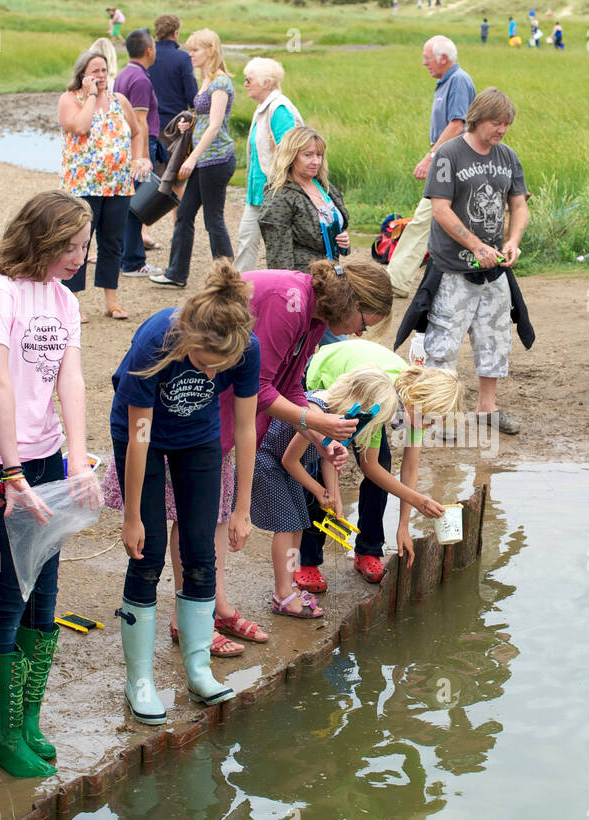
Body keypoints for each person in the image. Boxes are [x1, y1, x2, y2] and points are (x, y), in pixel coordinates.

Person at [0, 190, 101, 777]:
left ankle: (28, 720)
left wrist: (76, 459)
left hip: (46, 461)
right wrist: (13, 470)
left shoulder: (65, 301)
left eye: (83, 244)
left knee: (44, 593)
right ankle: (0, 735)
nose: (79, 254)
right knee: (4, 597)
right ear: (38, 238)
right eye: (68, 244)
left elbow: (70, 378)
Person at [185, 262, 391, 624]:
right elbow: (261, 388)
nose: (359, 333)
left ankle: (216, 605)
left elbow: (291, 387)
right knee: (204, 514)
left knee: (224, 514)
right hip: (207, 398)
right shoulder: (291, 302)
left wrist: (322, 439)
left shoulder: (315, 321)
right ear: (352, 302)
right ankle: (225, 605)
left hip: (242, 419)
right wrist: (314, 422)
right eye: (364, 323)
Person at [111, 262, 259, 723]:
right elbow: (139, 436)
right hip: (142, 438)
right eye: (203, 362)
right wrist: (132, 515)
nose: (211, 372)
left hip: (199, 439)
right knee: (148, 552)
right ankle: (139, 678)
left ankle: (198, 667)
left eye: (220, 367)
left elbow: (247, 427)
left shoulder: (247, 348)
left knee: (200, 550)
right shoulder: (158, 337)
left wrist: (242, 508)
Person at [296, 340, 462, 589]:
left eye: (433, 423)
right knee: (319, 469)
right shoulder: (384, 399)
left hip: (370, 397)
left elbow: (410, 467)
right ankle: (307, 559)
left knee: (384, 464)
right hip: (327, 380)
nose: (427, 426)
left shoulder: (415, 407)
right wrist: (420, 501)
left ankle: (369, 549)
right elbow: (368, 465)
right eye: (427, 419)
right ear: (416, 399)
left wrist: (404, 526)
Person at [423, 87, 529, 436]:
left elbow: (518, 204)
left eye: (506, 124)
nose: (502, 130)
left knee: (495, 338)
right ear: (478, 118)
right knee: (444, 342)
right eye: (497, 123)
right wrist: (475, 244)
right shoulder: (449, 155)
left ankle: (487, 410)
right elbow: (440, 209)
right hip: (452, 266)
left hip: (494, 268)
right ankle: (441, 414)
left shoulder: (508, 156)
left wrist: (511, 241)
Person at [248, 369, 395, 619]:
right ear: (359, 405)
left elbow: (328, 458)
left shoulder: (339, 419)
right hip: (267, 459)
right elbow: (290, 460)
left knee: (298, 525)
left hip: (286, 466)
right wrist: (318, 491)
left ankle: (290, 584)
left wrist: (333, 495)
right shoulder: (318, 413)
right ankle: (283, 594)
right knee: (286, 526)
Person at [58, 48, 150, 321]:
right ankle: (71, 303)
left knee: (113, 242)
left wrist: (138, 158)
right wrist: (90, 96)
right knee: (78, 245)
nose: (100, 75)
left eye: (103, 69)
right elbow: (80, 128)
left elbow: (136, 132)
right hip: (83, 185)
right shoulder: (70, 99)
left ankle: (111, 301)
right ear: (83, 75)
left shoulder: (119, 100)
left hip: (118, 185)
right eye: (94, 70)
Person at [386, 36, 475, 298]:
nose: (424, 62)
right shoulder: (446, 83)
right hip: (449, 162)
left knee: (425, 219)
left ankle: (395, 280)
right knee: (442, 221)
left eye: (427, 57)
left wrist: (430, 157)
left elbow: (458, 125)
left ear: (443, 58)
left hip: (451, 163)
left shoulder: (458, 81)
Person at [150, 28, 236, 289]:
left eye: (195, 50)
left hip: (216, 160)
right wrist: (190, 122)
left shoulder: (221, 83)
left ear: (210, 50)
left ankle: (227, 278)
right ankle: (176, 273)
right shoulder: (207, 79)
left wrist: (191, 159)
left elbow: (215, 125)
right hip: (203, 160)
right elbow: (204, 118)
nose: (190, 54)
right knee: (185, 213)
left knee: (214, 220)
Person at [237, 57, 302, 273]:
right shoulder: (263, 107)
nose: (245, 83)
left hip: (275, 191)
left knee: (277, 247)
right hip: (257, 191)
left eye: (249, 79)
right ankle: (235, 292)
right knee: (246, 240)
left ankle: (283, 289)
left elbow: (292, 149)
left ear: (266, 83)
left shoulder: (279, 108)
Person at [260, 126, 350, 272]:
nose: (316, 161)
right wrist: (291, 290)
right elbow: (278, 257)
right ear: (291, 156)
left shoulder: (325, 187)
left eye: (319, 155)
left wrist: (343, 242)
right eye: (308, 155)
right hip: (303, 279)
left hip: (331, 274)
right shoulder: (280, 197)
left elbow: (333, 228)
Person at [116, 29, 166, 279]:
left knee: (128, 203)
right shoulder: (141, 80)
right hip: (141, 147)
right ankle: (134, 261)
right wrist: (144, 157)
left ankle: (124, 255)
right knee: (138, 205)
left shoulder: (123, 75)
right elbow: (141, 121)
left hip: (125, 146)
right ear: (149, 50)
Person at [149, 15, 198, 134]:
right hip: (175, 124)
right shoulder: (183, 58)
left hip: (149, 123)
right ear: (175, 33)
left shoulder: (147, 57)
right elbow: (191, 95)